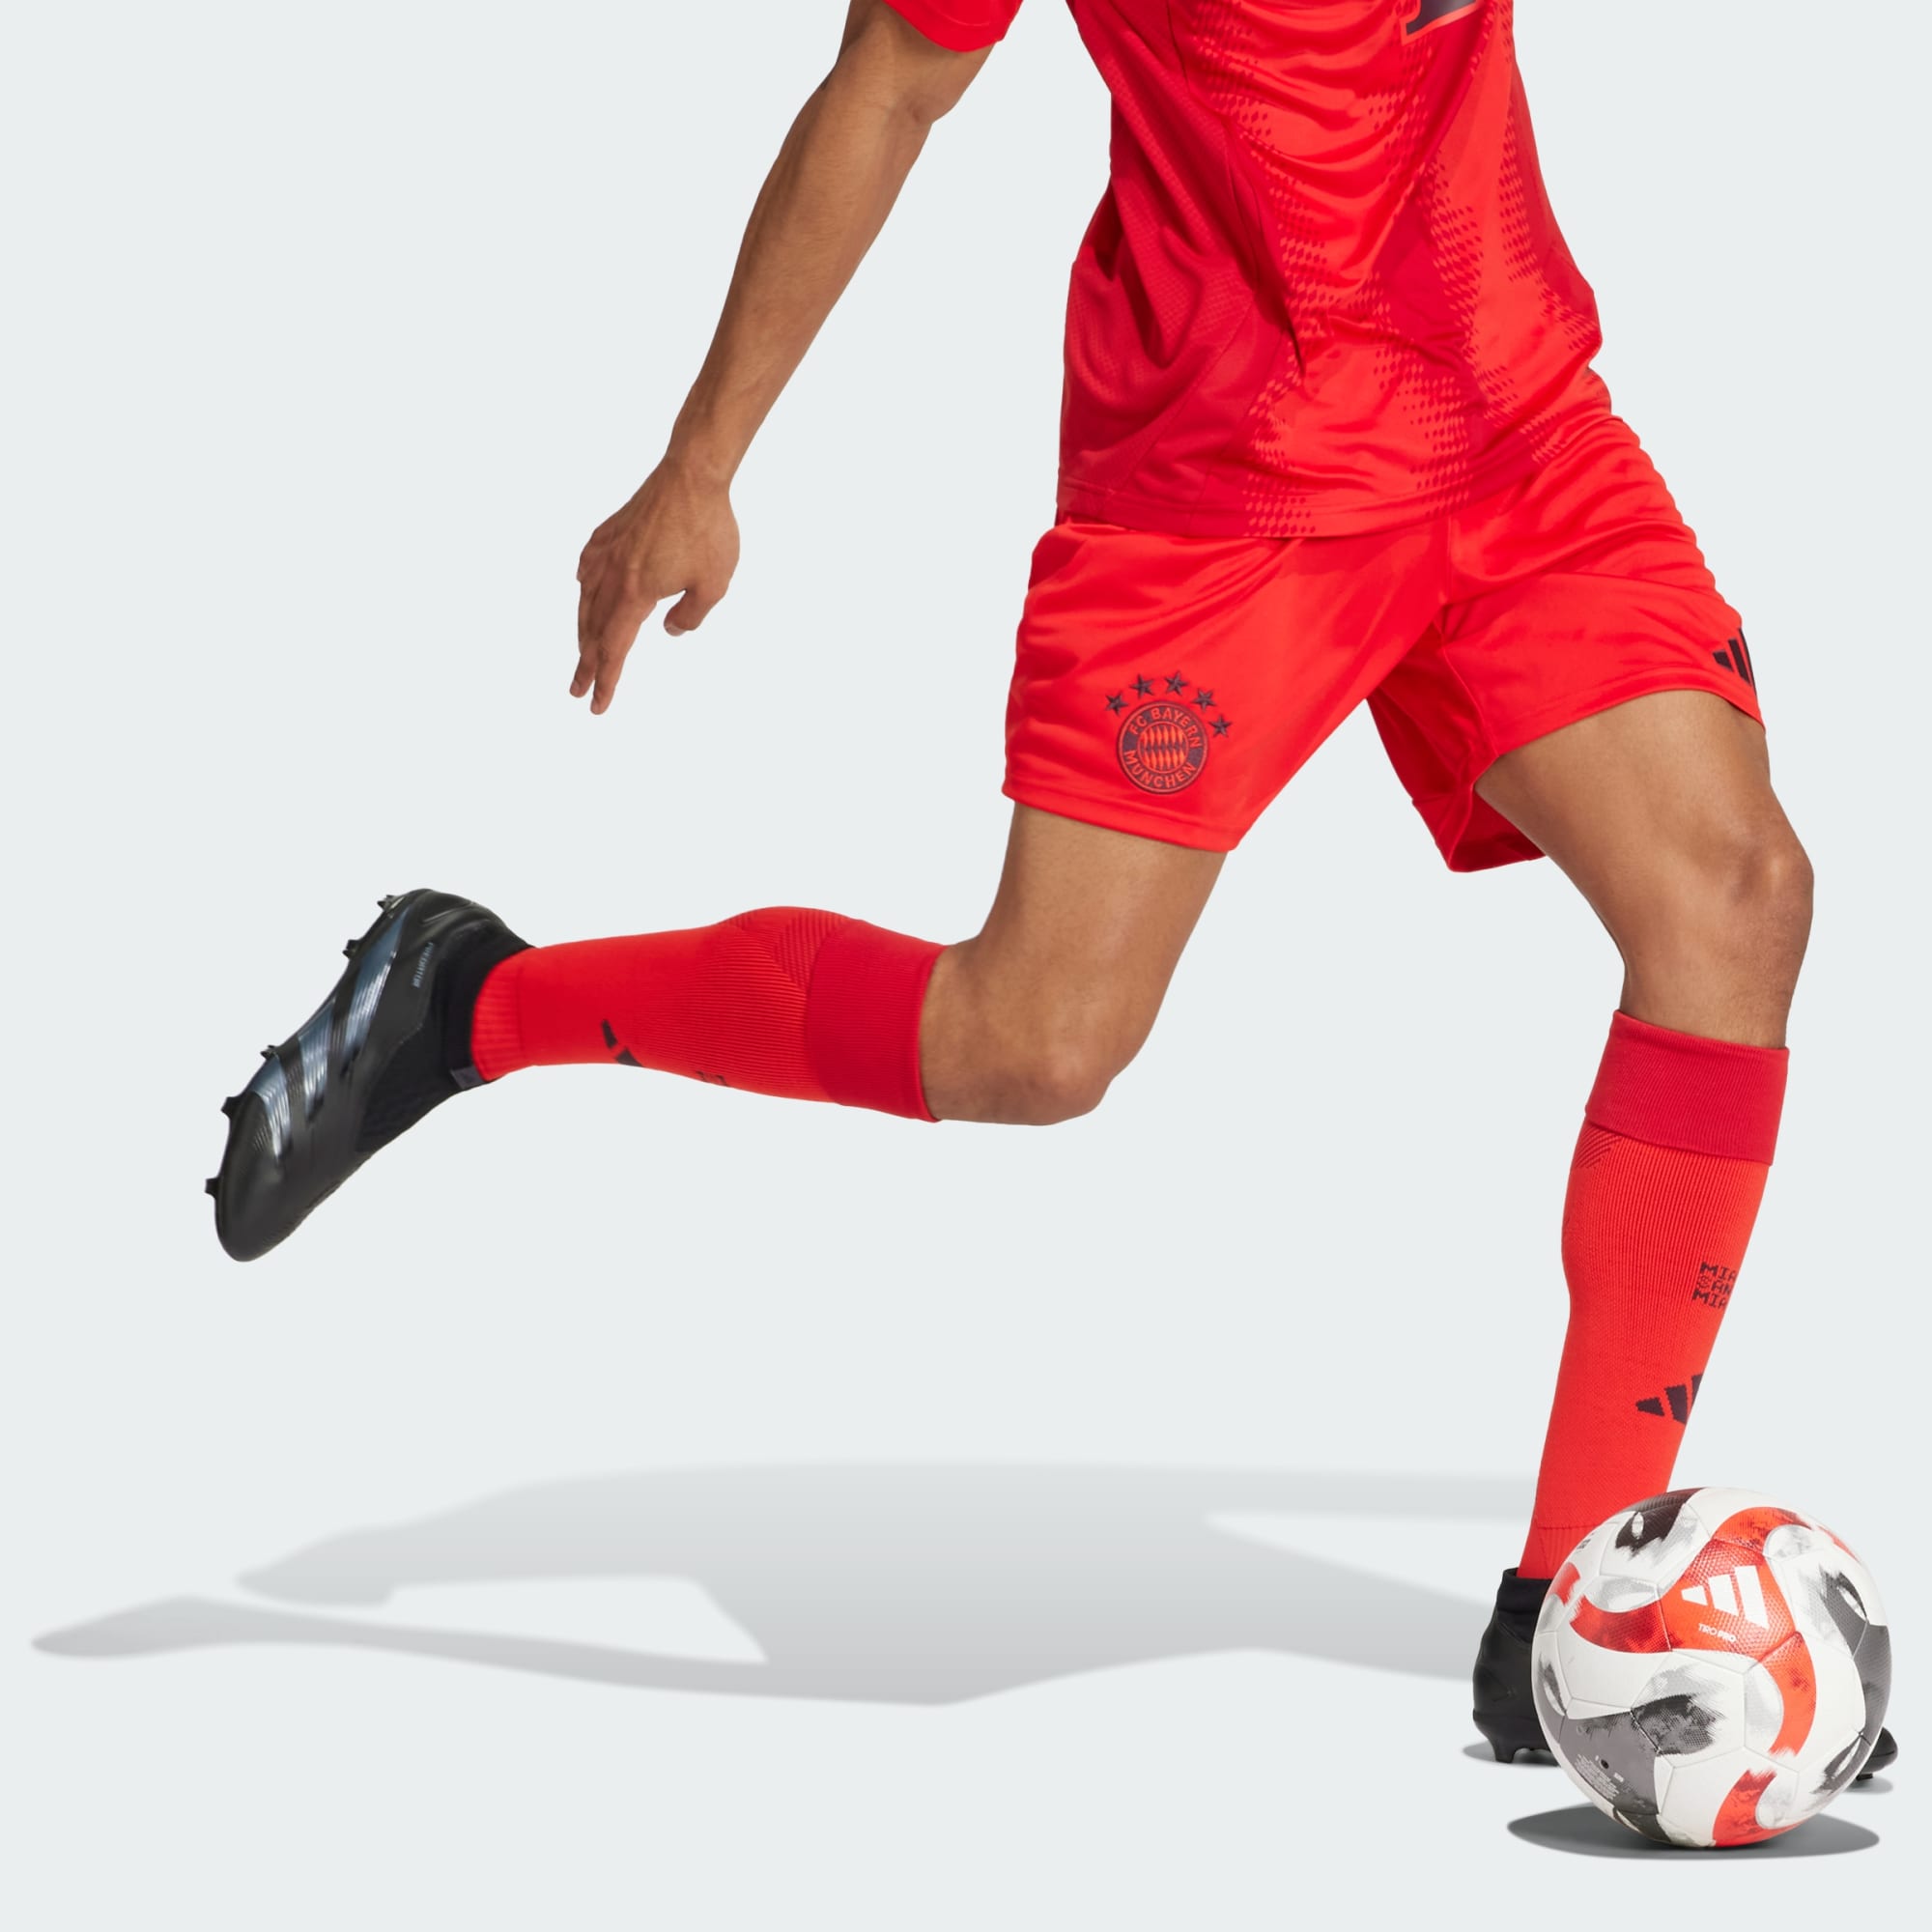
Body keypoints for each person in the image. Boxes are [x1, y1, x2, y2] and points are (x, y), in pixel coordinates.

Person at [206, 1, 1894, 1778]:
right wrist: (700, 465)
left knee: (1735, 898)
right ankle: (466, 1000)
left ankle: (1578, 1609)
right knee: (1033, 1045)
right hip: (1223, 490)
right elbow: (892, 83)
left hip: (1513, 436)